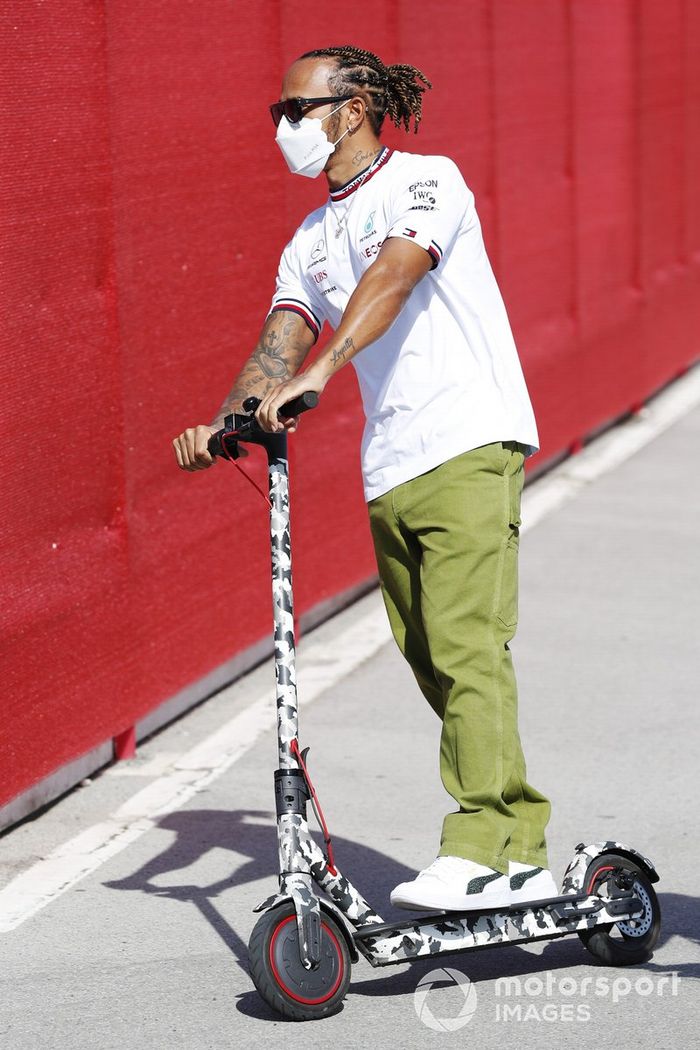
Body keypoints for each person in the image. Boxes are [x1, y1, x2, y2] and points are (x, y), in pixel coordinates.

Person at [173, 45, 556, 912]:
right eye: (277, 113)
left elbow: (391, 277)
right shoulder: (308, 239)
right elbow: (281, 341)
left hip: (467, 438)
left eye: (296, 111)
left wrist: (324, 372)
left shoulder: (426, 181)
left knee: (464, 646)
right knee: (434, 658)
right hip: (392, 464)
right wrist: (225, 423)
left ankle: (488, 845)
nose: (282, 128)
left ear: (352, 110)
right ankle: (516, 833)